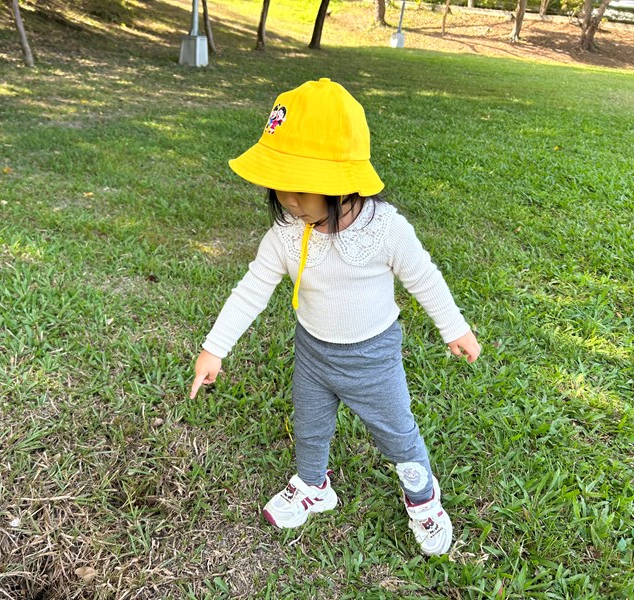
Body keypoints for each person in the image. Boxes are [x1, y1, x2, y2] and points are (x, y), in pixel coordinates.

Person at [189, 78, 481, 556]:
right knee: (309, 425)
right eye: (279, 186)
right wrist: (214, 347)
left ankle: (423, 495)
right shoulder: (286, 233)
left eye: (301, 188)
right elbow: (251, 290)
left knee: (395, 430)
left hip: (373, 358)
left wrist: (455, 327)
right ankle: (313, 486)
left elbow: (424, 278)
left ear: (344, 183)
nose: (288, 200)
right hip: (313, 353)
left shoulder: (385, 229)